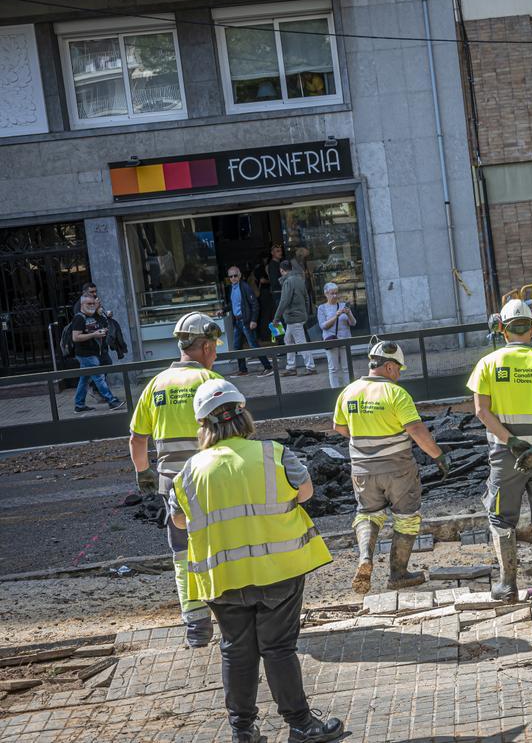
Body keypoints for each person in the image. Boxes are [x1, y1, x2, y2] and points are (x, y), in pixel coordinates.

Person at [169, 379, 344, 743]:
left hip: (223, 578)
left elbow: (180, 521)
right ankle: (300, 724)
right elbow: (306, 492)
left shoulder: (187, 474)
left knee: (235, 650)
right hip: (279, 572)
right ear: (244, 416)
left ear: (203, 427)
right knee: (278, 648)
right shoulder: (274, 454)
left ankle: (243, 731)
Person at [128, 312, 223, 647]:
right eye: (214, 348)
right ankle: (232, 618)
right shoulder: (210, 384)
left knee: (183, 554)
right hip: (212, 481)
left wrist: (144, 476)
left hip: (172, 485)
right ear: (207, 346)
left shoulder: (155, 385)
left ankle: (197, 629)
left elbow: (137, 440)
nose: (215, 354)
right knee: (222, 547)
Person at [333, 339, 451, 594]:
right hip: (398, 469)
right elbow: (416, 430)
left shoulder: (349, 392)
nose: (398, 374)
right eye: (398, 369)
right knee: (406, 518)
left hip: (362, 470)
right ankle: (398, 575)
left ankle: (365, 557)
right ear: (388, 366)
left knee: (367, 513)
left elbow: (340, 428)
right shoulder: (396, 394)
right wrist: (438, 455)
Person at [467, 299, 532, 604]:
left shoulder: (487, 364)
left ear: (501, 329)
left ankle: (507, 586)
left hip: (505, 457)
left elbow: (482, 412)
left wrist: (511, 442)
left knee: (501, 519)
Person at [70, 295, 124, 413]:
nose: (91, 306)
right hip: (86, 354)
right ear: (82, 305)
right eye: (88, 304)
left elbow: (100, 326)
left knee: (84, 380)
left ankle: (79, 405)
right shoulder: (79, 318)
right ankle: (112, 401)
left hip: (93, 353)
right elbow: (76, 337)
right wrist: (94, 335)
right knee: (99, 377)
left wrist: (102, 331)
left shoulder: (93, 316)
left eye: (93, 303)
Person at [225, 266, 273, 377]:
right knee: (237, 346)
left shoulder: (245, 287)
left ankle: (268, 367)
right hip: (237, 322)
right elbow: (233, 304)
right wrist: (223, 310)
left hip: (245, 321)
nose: (233, 278)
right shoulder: (231, 288)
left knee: (253, 345)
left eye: (235, 275)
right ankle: (243, 370)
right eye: (230, 276)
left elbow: (255, 304)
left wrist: (253, 320)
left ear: (240, 275)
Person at [272, 260, 316, 376]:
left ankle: (310, 367)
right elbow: (307, 298)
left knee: (300, 343)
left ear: (281, 270)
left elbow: (284, 301)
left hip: (293, 317)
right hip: (299, 316)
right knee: (289, 340)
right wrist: (305, 313)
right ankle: (291, 367)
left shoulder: (288, 282)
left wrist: (276, 318)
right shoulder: (299, 280)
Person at [317, 283, 356, 389]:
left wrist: (348, 314)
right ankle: (335, 390)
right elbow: (323, 326)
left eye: (336, 293)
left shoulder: (343, 305)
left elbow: (353, 323)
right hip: (331, 340)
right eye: (332, 293)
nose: (335, 296)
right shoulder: (322, 308)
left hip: (345, 338)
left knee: (346, 367)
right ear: (326, 294)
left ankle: (348, 389)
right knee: (333, 368)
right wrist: (336, 316)